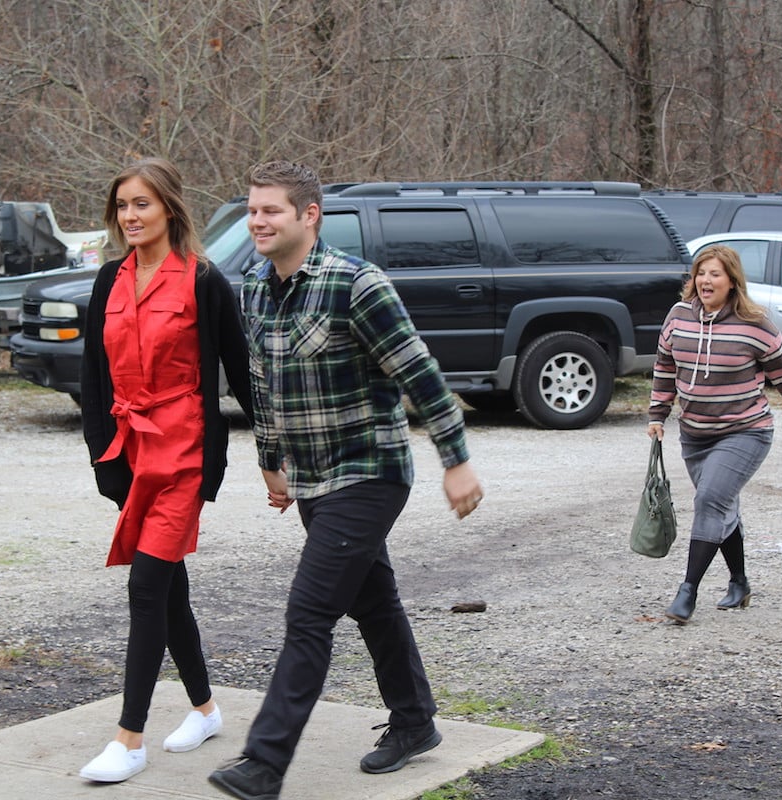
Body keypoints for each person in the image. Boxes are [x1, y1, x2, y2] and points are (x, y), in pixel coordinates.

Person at [208, 161, 485, 800]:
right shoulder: (253, 286)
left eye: (271, 210)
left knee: (309, 611)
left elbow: (419, 373)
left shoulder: (356, 284)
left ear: (309, 215)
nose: (257, 222)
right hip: (313, 478)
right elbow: (265, 386)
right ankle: (414, 721)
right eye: (252, 210)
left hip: (369, 470)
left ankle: (264, 763)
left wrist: (456, 459)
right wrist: (270, 461)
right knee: (372, 601)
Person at [77, 158, 253, 783]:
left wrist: (274, 456)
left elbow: (239, 369)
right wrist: (101, 457)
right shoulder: (107, 281)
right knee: (169, 587)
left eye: (142, 204)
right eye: (122, 205)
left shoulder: (204, 280)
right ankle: (204, 710)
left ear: (170, 209)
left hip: (184, 452)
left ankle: (128, 741)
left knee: (146, 585)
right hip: (130, 454)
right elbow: (93, 377)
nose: (130, 216)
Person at [648, 244, 782, 624]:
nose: (706, 280)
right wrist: (657, 413)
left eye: (715, 274)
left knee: (710, 499)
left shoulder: (754, 323)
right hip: (695, 434)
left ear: (732, 281)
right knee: (721, 506)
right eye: (701, 273)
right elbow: (665, 366)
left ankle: (687, 592)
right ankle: (740, 583)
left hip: (746, 431)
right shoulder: (679, 316)